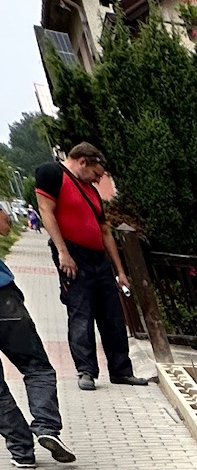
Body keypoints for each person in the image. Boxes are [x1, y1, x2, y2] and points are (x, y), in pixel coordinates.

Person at [33, 143, 149, 391]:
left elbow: (105, 230)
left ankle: (121, 370)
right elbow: (46, 211)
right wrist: (63, 252)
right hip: (73, 254)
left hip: (99, 258)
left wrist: (120, 271)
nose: (97, 180)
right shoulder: (52, 174)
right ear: (83, 161)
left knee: (112, 315)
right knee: (81, 312)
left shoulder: (91, 192)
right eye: (96, 173)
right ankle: (86, 370)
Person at [0, 205, 75, 469]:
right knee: (37, 367)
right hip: (3, 300)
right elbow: (3, 226)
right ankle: (46, 427)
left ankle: (21, 450)